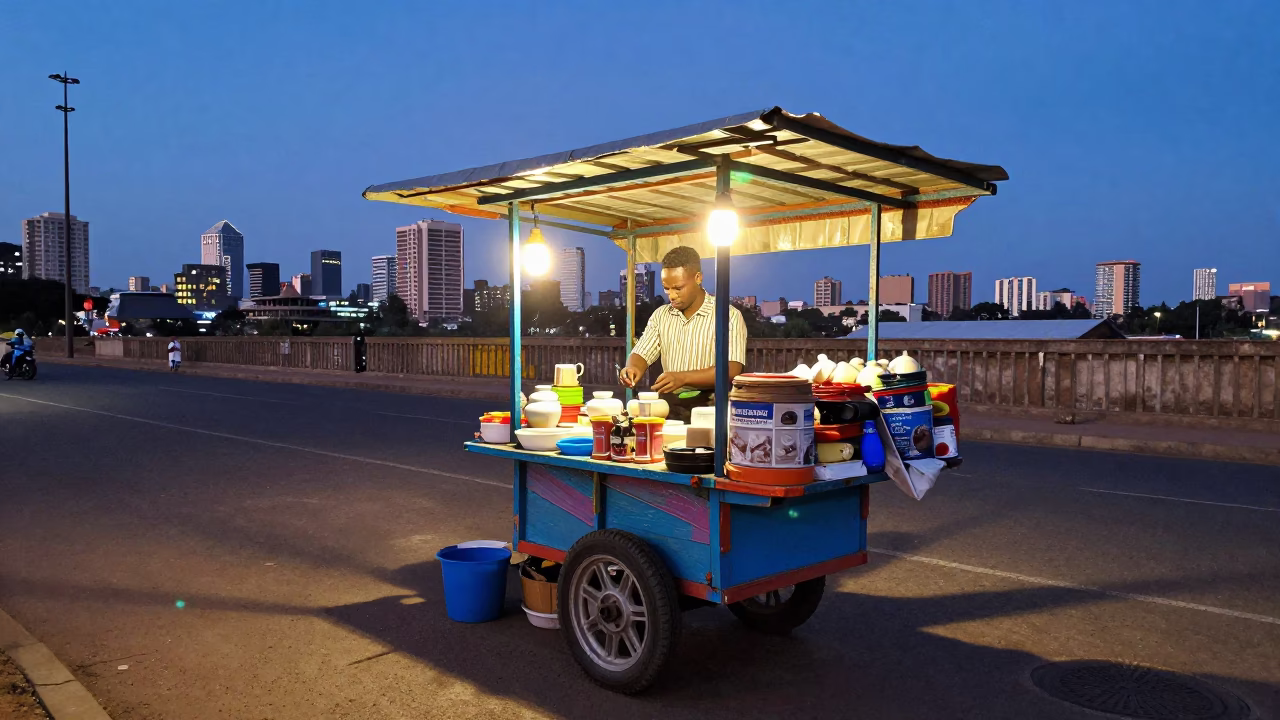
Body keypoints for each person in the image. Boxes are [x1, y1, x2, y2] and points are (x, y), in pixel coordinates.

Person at [618, 246, 747, 423]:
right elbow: (641, 352)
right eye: (666, 288)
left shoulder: (728, 315)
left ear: (698, 278)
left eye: (678, 288)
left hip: (711, 408)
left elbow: (732, 370)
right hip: (669, 409)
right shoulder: (661, 315)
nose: (671, 295)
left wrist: (683, 377)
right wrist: (632, 368)